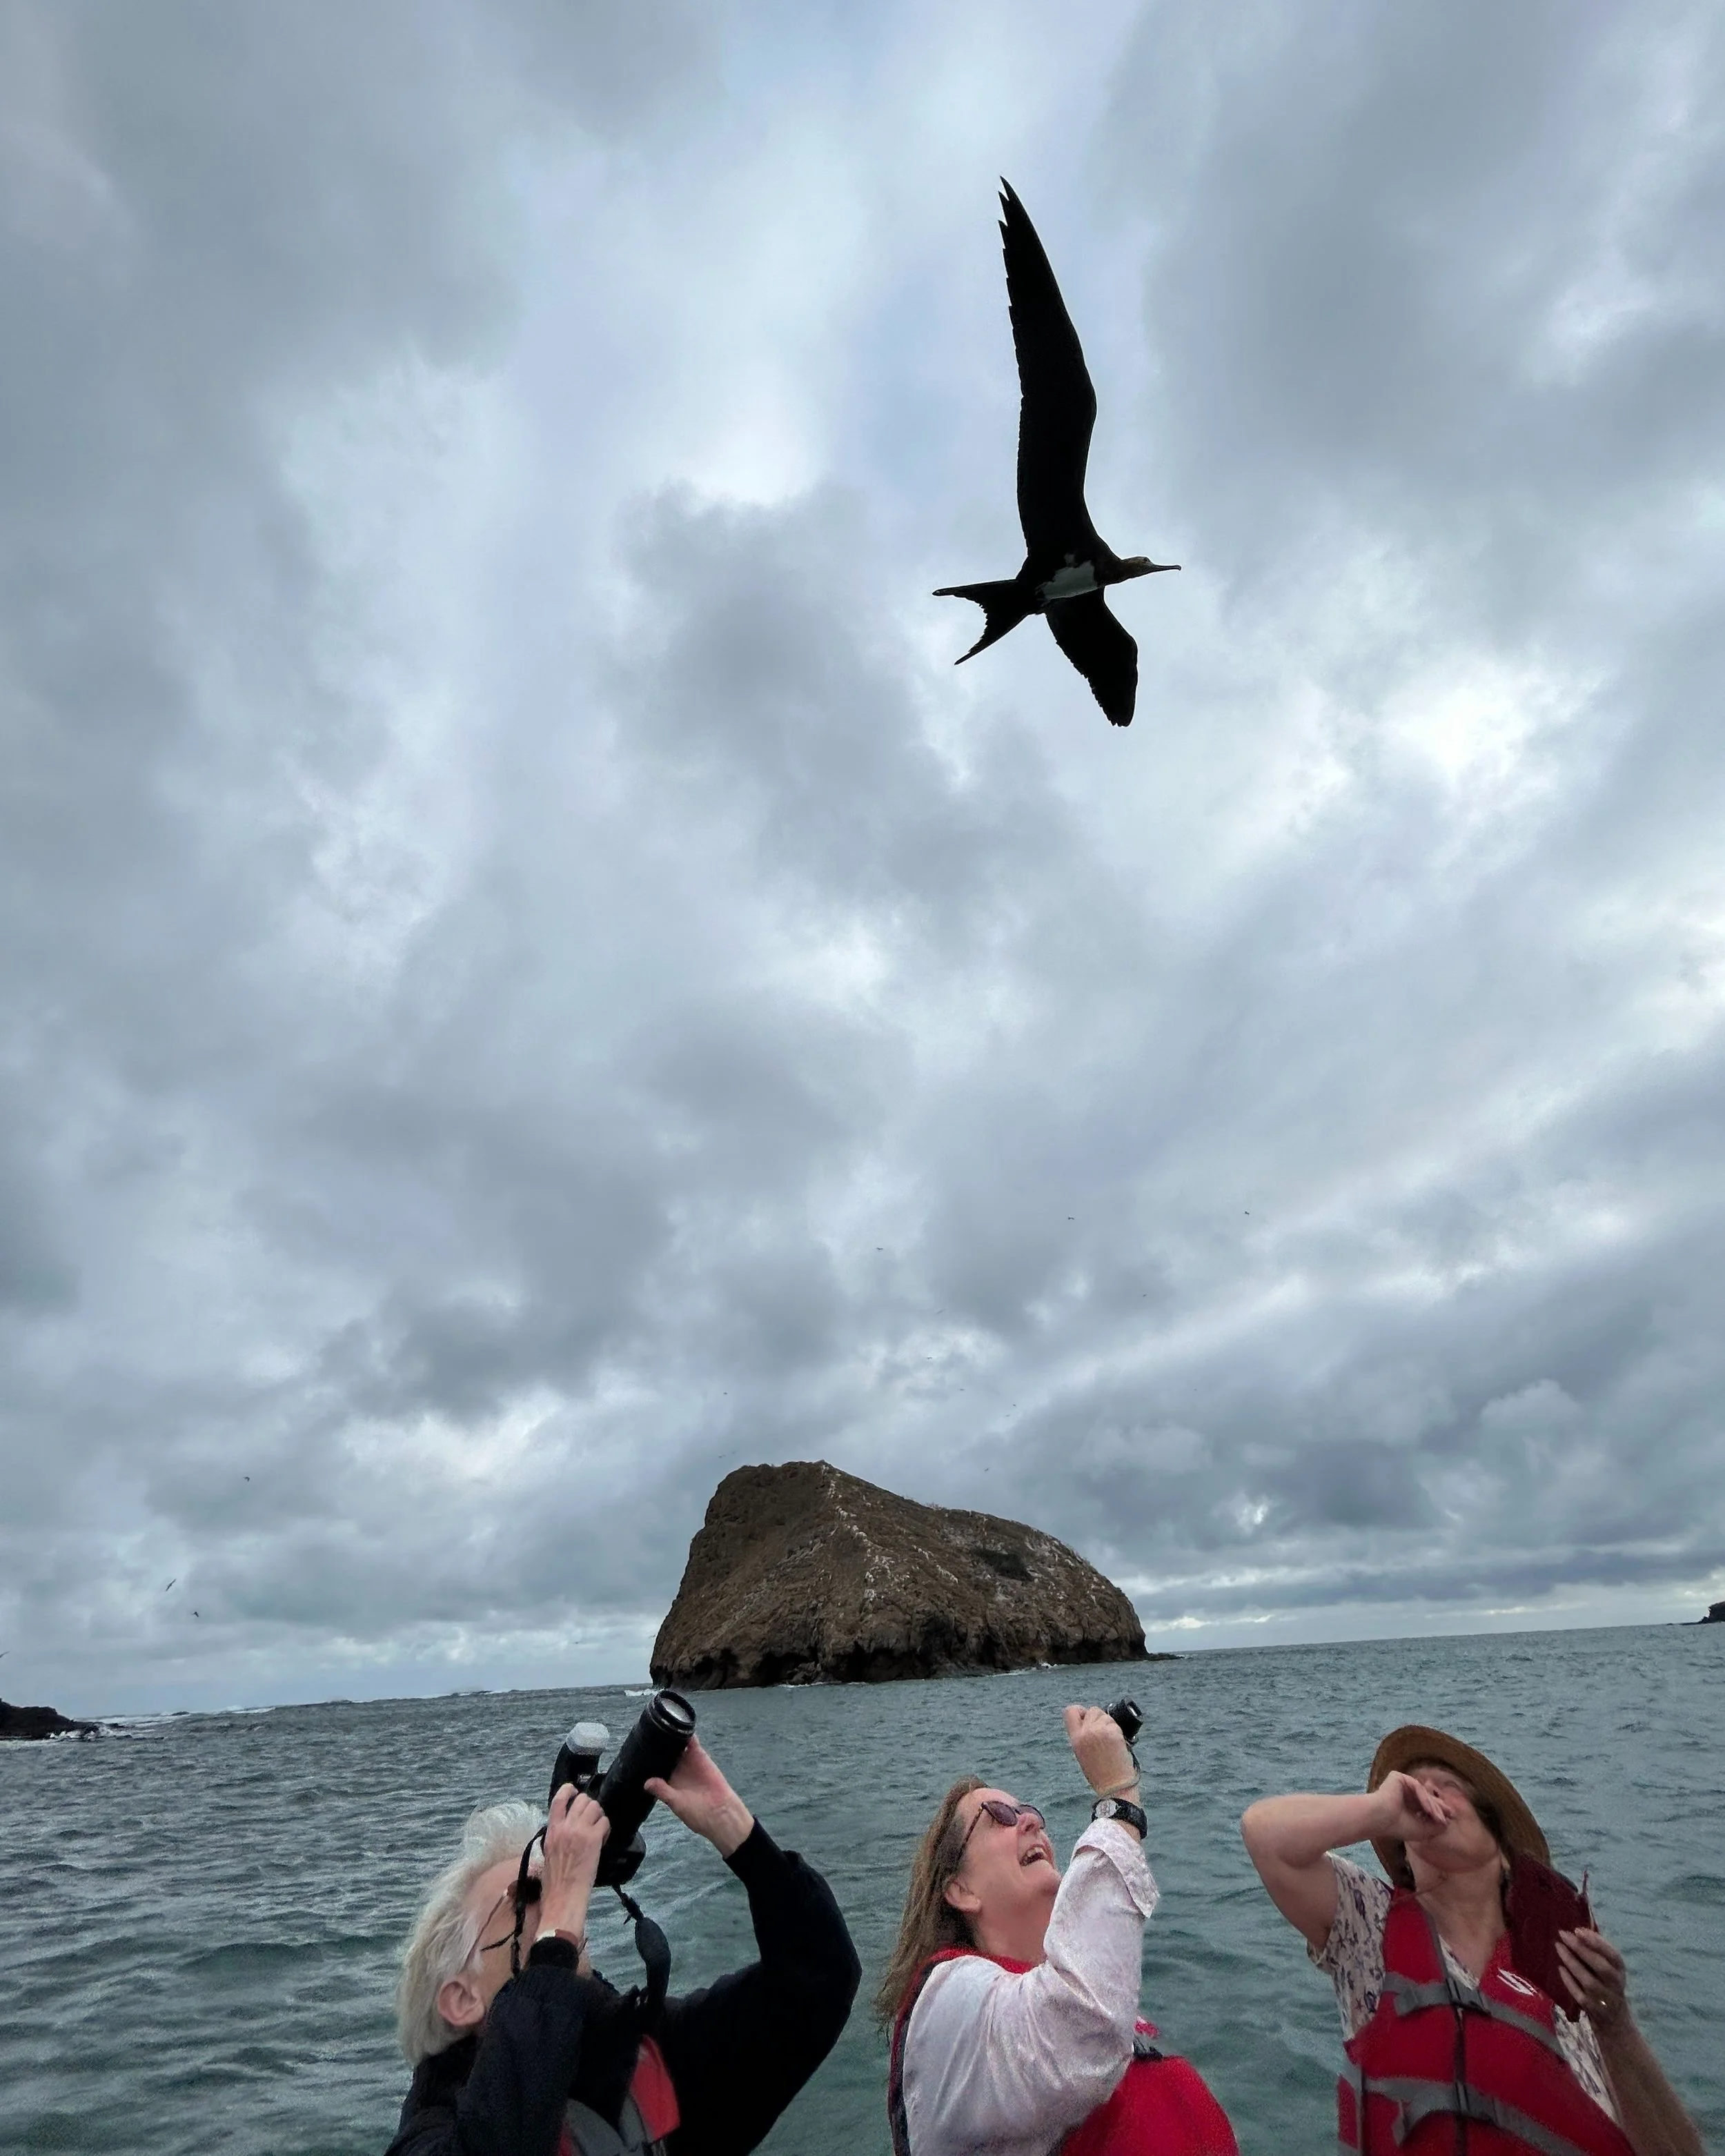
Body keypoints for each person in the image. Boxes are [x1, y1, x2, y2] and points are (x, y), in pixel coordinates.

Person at [1241, 1722, 1703, 2156]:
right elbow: (1265, 1834)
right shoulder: (1366, 1922)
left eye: (1448, 1786)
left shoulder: (1559, 1968)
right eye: (1414, 1789)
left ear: (1502, 1849)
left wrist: (1617, 2025)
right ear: (1403, 1850)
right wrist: (1382, 1810)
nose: (1427, 1795)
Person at [388, 1734, 860, 2156]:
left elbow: (818, 1980)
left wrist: (737, 1831)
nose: (561, 1901)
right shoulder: (432, 2132)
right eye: (531, 1894)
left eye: (558, 1889)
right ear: (461, 1998)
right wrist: (556, 1933)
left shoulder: (650, 2054)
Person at [877, 1703, 1239, 2156]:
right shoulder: (948, 2005)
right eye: (999, 1817)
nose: (1032, 1820)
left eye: (1029, 1811)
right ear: (961, 1888)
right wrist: (1117, 1801)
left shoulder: (1063, 1996)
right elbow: (1078, 2034)